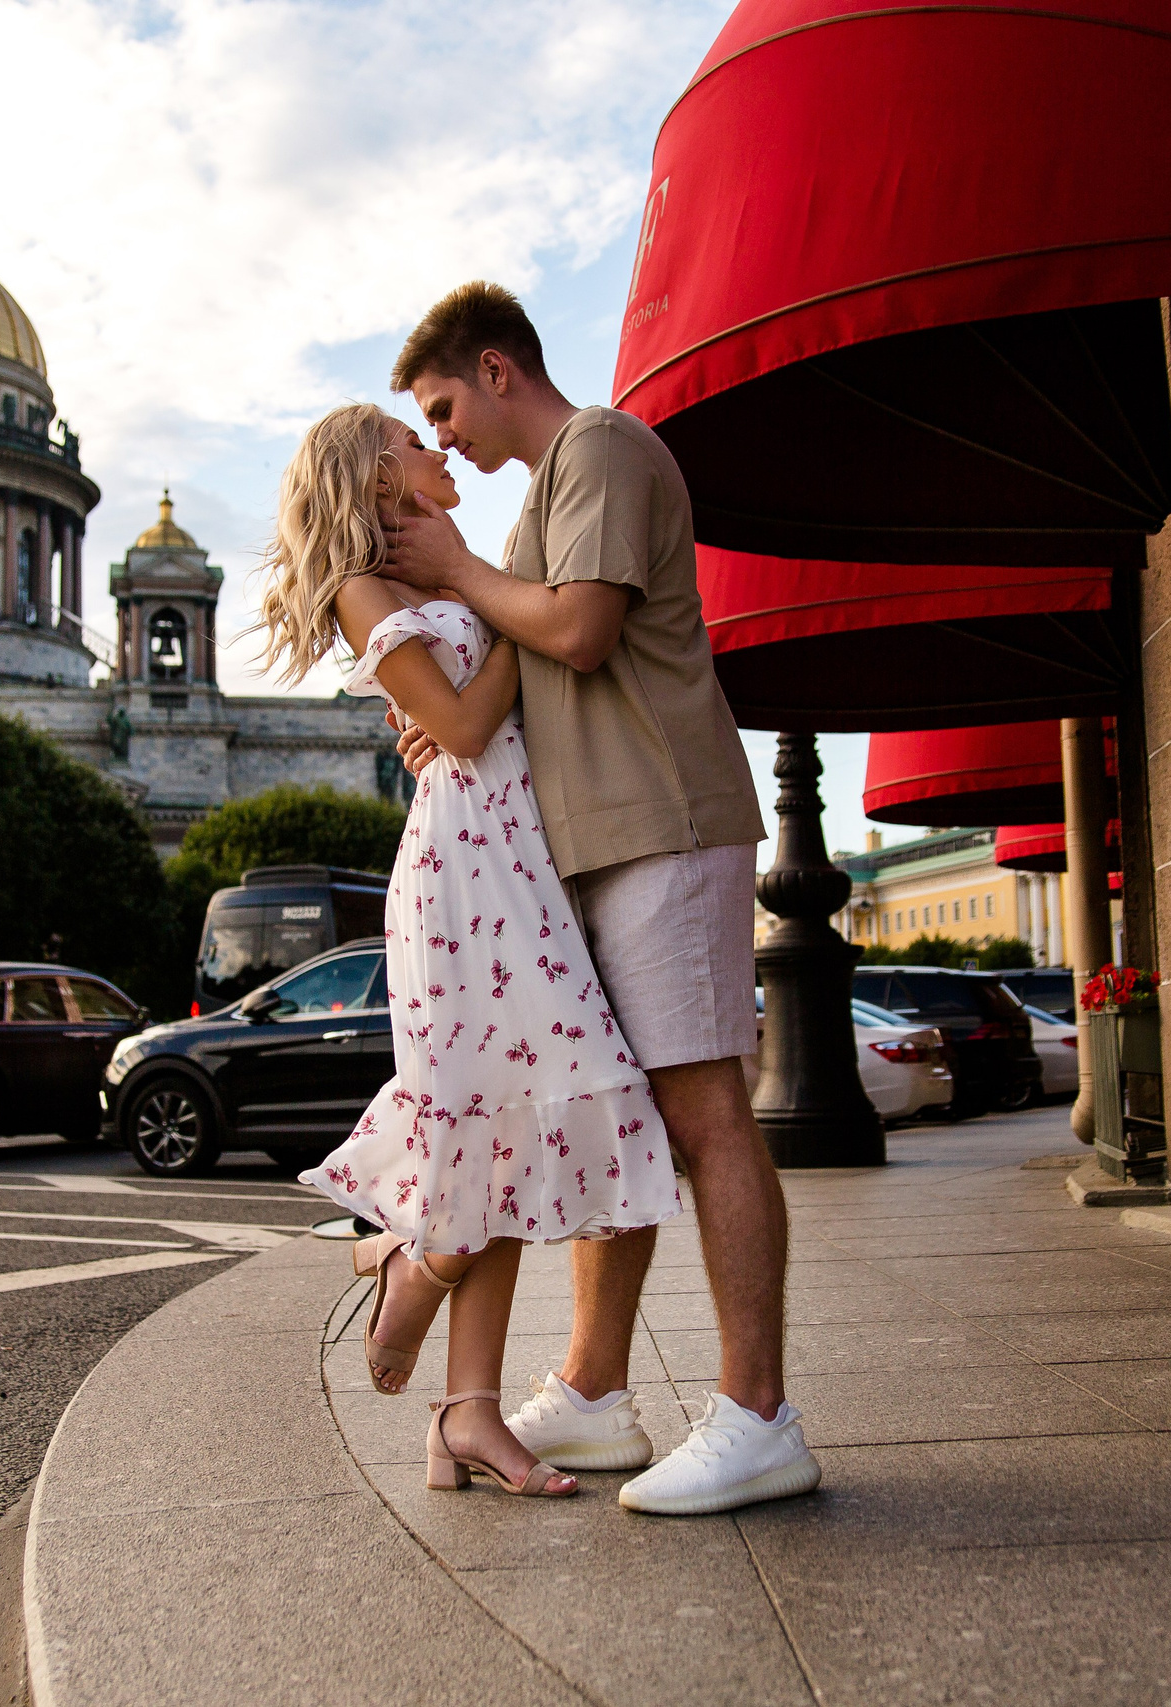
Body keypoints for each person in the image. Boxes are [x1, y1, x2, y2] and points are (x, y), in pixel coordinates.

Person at [380, 282, 819, 1516]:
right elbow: (520, 673)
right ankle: (591, 1395)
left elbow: (576, 632)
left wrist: (457, 568)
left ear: (497, 368)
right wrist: (444, 728)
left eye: (443, 406)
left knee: (704, 1116)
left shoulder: (604, 449)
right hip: (594, 845)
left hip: (661, 827)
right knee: (611, 1119)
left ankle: (757, 1416)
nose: (443, 436)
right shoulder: (535, 511)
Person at [264, 402, 685, 1500]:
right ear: (373, 480)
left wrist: (488, 607)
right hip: (461, 876)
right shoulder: (371, 588)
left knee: (511, 1124)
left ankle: (463, 1402)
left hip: (520, 860)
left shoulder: (456, 575)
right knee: (497, 1116)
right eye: (413, 440)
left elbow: (528, 680)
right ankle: (417, 1269)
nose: (436, 450)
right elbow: (456, 729)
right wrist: (508, 632)